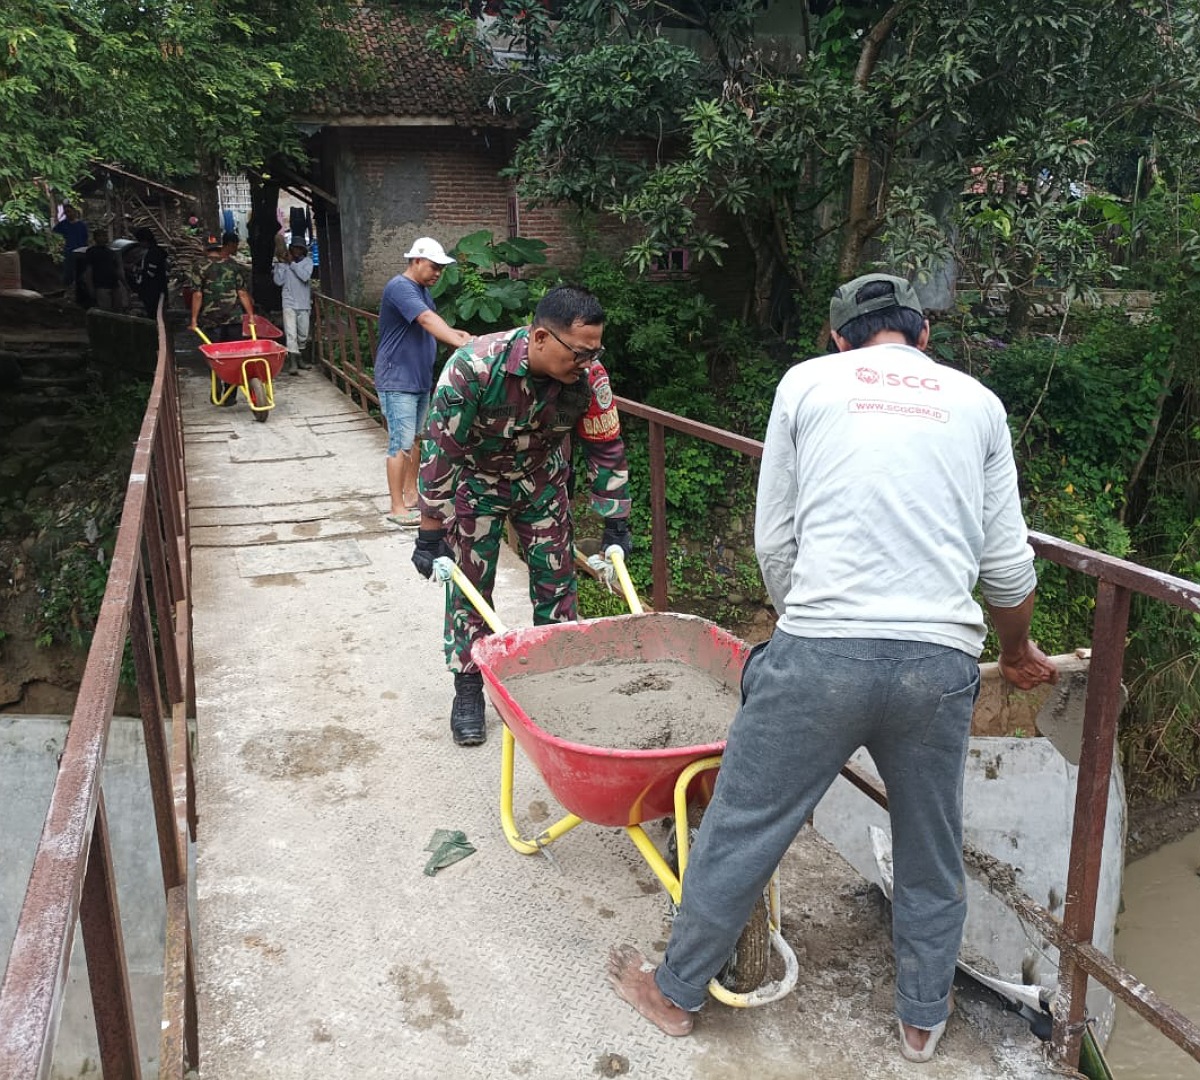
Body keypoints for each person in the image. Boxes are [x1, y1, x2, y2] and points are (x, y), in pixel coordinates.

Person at [607, 272, 1060, 1062]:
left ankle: (675, 994)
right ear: (923, 335)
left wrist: (808, 627)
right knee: (931, 843)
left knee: (745, 824)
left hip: (820, 652)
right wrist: (1017, 651)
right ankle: (922, 1019)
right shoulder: (979, 403)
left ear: (840, 339)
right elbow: (1007, 569)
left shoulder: (808, 384)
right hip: (938, 665)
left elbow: (775, 540)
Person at [411, 284, 634, 747]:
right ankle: (469, 687)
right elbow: (440, 452)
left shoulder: (589, 378)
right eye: (579, 352)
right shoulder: (473, 368)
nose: (587, 362)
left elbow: (605, 445)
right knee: (471, 588)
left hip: (542, 482)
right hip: (478, 484)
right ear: (540, 338)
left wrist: (615, 523)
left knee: (557, 585)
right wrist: (430, 533)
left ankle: (557, 683)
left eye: (595, 352)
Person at [374, 237, 471, 527]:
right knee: (400, 443)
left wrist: (457, 334)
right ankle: (396, 507)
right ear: (416, 261)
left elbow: (434, 321)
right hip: (397, 379)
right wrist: (459, 342)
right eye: (433, 266)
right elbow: (427, 320)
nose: (438, 273)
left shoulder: (422, 291)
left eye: (441, 268)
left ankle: (411, 495)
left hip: (418, 379)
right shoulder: (400, 287)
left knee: (415, 439)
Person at [189, 232, 254, 405]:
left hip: (211, 320)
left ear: (205, 249)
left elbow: (197, 294)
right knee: (234, 357)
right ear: (220, 247)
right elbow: (242, 293)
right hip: (234, 319)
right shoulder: (233, 266)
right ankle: (230, 395)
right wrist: (250, 316)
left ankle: (216, 383)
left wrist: (193, 319)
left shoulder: (199, 266)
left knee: (215, 356)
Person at [272, 240, 314, 375]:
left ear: (303, 250)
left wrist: (292, 264)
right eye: (294, 248)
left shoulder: (307, 262)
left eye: (299, 248)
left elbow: (304, 277)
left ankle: (300, 358)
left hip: (303, 303)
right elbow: (278, 281)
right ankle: (293, 362)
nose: (296, 251)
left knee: (303, 335)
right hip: (289, 303)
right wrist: (280, 264)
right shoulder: (284, 264)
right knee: (291, 334)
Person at [77, 228, 124, 312]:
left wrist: (124, 284)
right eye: (100, 236)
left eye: (105, 236)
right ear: (95, 238)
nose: (104, 238)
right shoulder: (91, 251)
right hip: (101, 286)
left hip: (114, 284)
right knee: (105, 310)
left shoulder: (110, 252)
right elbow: (89, 271)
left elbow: (117, 269)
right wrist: (90, 287)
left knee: (118, 309)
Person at [132, 227, 170, 319]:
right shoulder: (156, 251)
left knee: (154, 315)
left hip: (153, 291)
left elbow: (150, 273)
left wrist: (137, 271)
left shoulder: (153, 253)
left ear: (145, 241)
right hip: (158, 289)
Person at [53, 204, 88, 290]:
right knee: (68, 273)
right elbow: (54, 235)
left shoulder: (81, 225)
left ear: (74, 211)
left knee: (81, 273)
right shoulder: (62, 224)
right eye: (66, 212)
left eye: (69, 211)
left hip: (80, 252)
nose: (68, 214)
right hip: (68, 252)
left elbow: (85, 238)